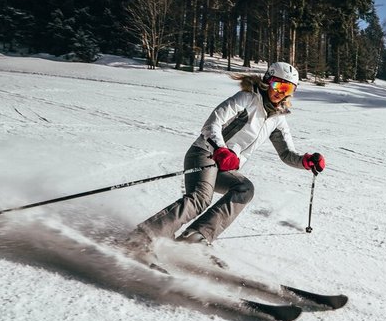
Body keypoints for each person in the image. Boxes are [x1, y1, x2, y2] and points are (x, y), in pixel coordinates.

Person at [127, 61, 325, 252]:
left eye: (288, 90)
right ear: (267, 80)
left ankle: (196, 237)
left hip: (226, 166)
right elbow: (212, 123)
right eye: (279, 85)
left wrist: (306, 161)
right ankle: (145, 235)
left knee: (244, 189)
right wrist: (220, 149)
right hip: (205, 153)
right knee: (200, 199)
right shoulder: (246, 99)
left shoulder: (277, 118)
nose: (281, 93)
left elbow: (286, 153)